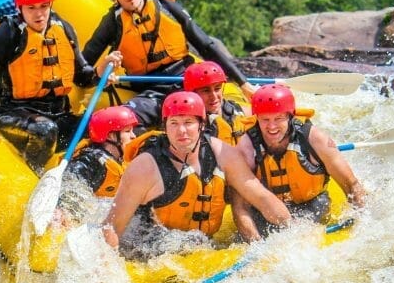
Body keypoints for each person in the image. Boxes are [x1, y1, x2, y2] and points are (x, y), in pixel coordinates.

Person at [103, 91, 291, 258]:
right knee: (190, 244)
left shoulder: (222, 153)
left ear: (201, 125)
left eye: (188, 122)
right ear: (165, 127)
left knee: (197, 245)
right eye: (174, 123)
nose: (181, 131)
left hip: (202, 246)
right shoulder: (144, 167)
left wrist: (293, 232)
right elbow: (111, 227)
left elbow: (261, 197)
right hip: (150, 251)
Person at [0, 0, 116, 172]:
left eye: (44, 6)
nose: (39, 14)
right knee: (45, 131)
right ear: (20, 8)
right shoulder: (8, 33)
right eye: (31, 8)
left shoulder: (63, 28)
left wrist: (100, 72)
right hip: (13, 114)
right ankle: (32, 176)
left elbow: (82, 77)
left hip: (59, 115)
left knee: (101, 126)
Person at [82, 0, 257, 131]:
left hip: (186, 79)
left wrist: (243, 83)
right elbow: (82, 73)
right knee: (123, 120)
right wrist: (101, 73)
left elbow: (205, 46)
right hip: (151, 89)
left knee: (211, 105)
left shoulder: (166, 7)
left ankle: (232, 123)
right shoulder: (112, 22)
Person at [232, 84, 366, 240]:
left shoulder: (316, 139)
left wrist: (362, 223)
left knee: (302, 232)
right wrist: (255, 245)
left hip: (311, 205)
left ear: (290, 116)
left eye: (278, 118)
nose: (272, 127)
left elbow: (352, 185)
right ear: (256, 119)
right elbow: (240, 207)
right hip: (265, 212)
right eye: (265, 119)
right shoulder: (245, 148)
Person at [64, 105, 139, 197]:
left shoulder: (120, 159)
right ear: (110, 136)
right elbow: (67, 183)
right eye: (127, 131)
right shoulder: (91, 161)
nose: (134, 136)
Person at [183, 61, 253, 146]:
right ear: (193, 94)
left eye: (217, 89)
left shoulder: (240, 112)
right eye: (206, 91)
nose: (214, 96)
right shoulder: (184, 124)